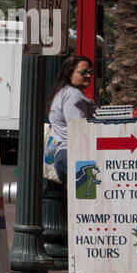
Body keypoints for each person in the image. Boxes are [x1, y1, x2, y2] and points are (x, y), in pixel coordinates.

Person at [47, 55, 96, 183]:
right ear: (69, 74)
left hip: (64, 155)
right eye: (83, 72)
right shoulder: (73, 95)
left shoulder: (63, 92)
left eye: (90, 72)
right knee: (89, 194)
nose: (89, 75)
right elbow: (79, 130)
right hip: (73, 155)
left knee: (83, 197)